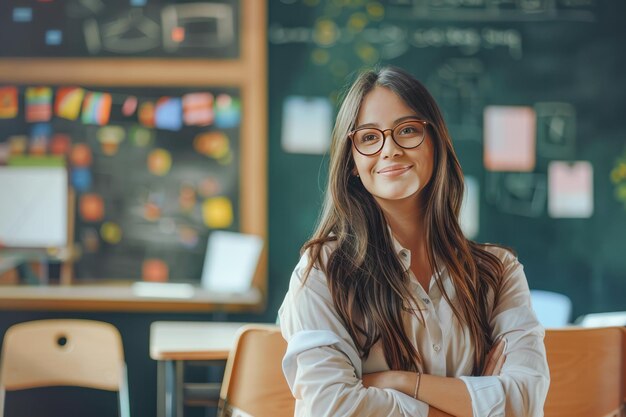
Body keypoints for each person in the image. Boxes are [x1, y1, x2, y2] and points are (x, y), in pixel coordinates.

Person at [278, 66, 550, 417]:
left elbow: (527, 401)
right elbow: (331, 409)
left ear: (436, 143)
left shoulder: (498, 272)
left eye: (407, 130)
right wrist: (475, 402)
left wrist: (401, 382)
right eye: (369, 137)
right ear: (352, 163)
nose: (389, 149)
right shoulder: (322, 272)